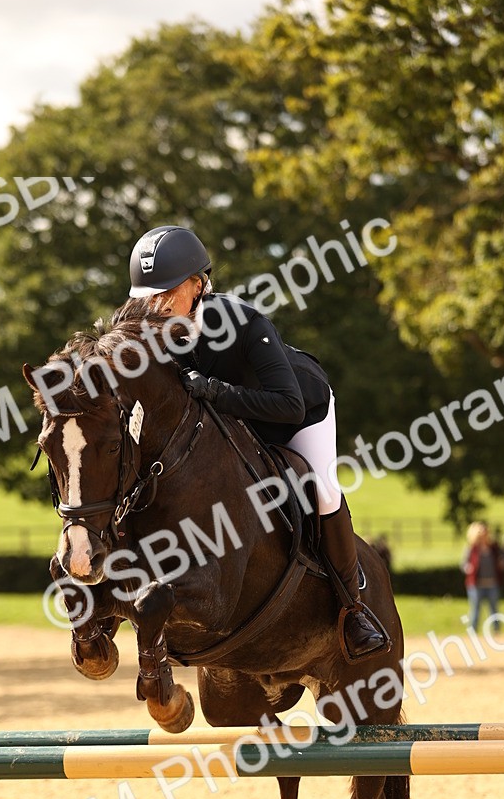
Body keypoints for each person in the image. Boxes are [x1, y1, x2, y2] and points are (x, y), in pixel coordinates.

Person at [128, 224, 388, 660]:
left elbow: (286, 405)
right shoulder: (148, 331)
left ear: (198, 284)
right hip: (232, 426)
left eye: (166, 293)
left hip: (298, 415)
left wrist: (213, 390)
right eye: (148, 296)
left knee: (322, 491)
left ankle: (353, 609)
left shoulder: (242, 322)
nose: (157, 306)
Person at [461, 521, 504, 631]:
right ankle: (473, 630)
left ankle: (497, 630)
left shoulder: (493, 548)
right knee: (475, 609)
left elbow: (500, 560)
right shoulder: (472, 548)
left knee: (494, 609)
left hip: (492, 583)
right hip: (476, 584)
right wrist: (469, 568)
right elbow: (464, 564)